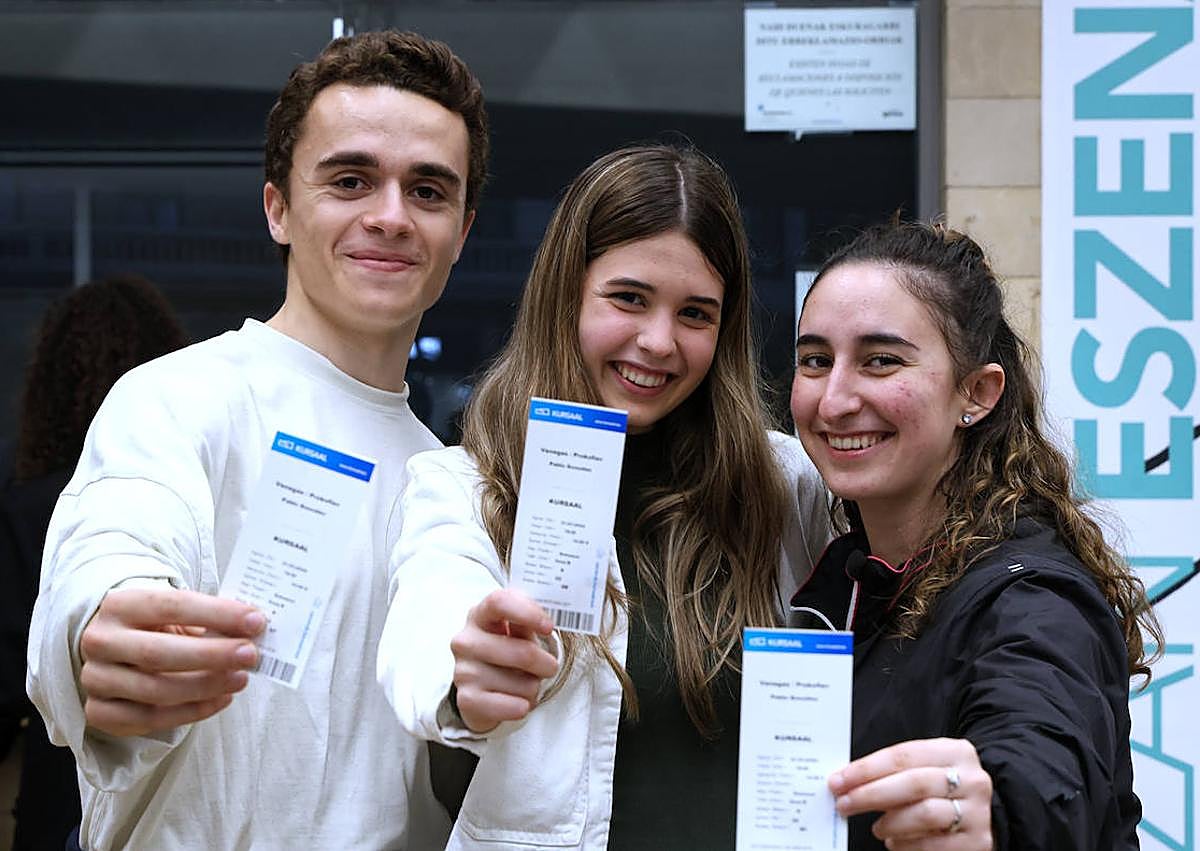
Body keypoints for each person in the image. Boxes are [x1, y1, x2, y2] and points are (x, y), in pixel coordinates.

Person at [26, 30, 486, 850]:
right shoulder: (179, 398)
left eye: (428, 191)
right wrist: (97, 626)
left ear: (462, 227)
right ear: (278, 206)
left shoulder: (450, 479)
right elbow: (113, 540)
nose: (390, 215)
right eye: (350, 180)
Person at [378, 143, 832, 850]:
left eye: (696, 314)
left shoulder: (784, 485)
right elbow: (430, 620)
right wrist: (466, 672)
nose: (657, 342)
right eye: (628, 298)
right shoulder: (466, 486)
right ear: (568, 292)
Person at [787, 220, 1162, 850]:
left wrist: (998, 817)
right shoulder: (848, 578)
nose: (833, 401)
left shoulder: (1032, 598)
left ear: (977, 393)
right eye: (816, 361)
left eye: (881, 361)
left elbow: (1041, 760)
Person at [0, 275, 189, 850]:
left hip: (57, 785)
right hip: (165, 791)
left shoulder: (27, 504)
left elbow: (8, 677)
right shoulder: (189, 503)